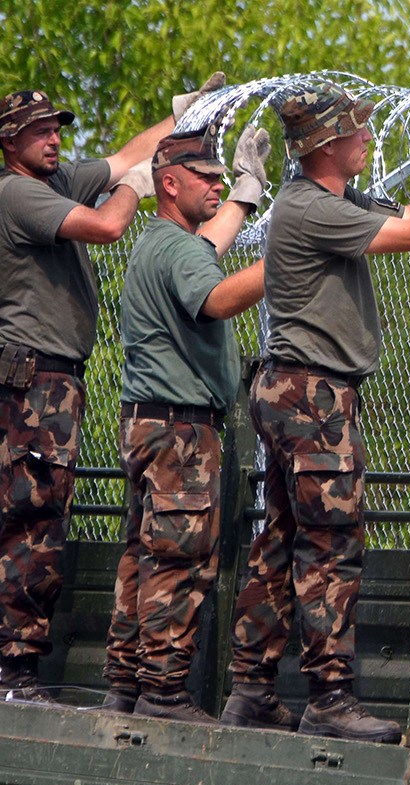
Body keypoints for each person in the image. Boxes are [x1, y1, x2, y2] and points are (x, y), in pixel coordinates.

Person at [220, 81, 410, 741]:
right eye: (356, 131)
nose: (367, 138)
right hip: (313, 397)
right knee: (331, 548)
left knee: (278, 545)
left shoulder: (326, 200)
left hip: (292, 392)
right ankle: (330, 700)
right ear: (327, 145)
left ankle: (250, 689)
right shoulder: (309, 209)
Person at [0, 74, 226, 705]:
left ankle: (20, 669)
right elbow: (107, 224)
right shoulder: (18, 193)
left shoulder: (52, 180)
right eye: (38, 132)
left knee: (43, 517)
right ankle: (13, 674)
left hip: (53, 382)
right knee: (31, 522)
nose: (53, 140)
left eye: (56, 129)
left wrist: (180, 121)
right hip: (31, 384)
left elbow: (128, 155)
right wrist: (136, 187)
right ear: (8, 143)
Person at [98, 126, 271, 723]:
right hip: (180, 433)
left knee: (142, 556)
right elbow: (216, 297)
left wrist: (247, 193)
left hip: (147, 423)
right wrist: (291, 258)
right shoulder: (179, 250)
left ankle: (125, 685)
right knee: (179, 559)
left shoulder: (165, 243)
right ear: (169, 184)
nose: (217, 183)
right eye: (207, 176)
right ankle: (164, 694)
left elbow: (209, 251)